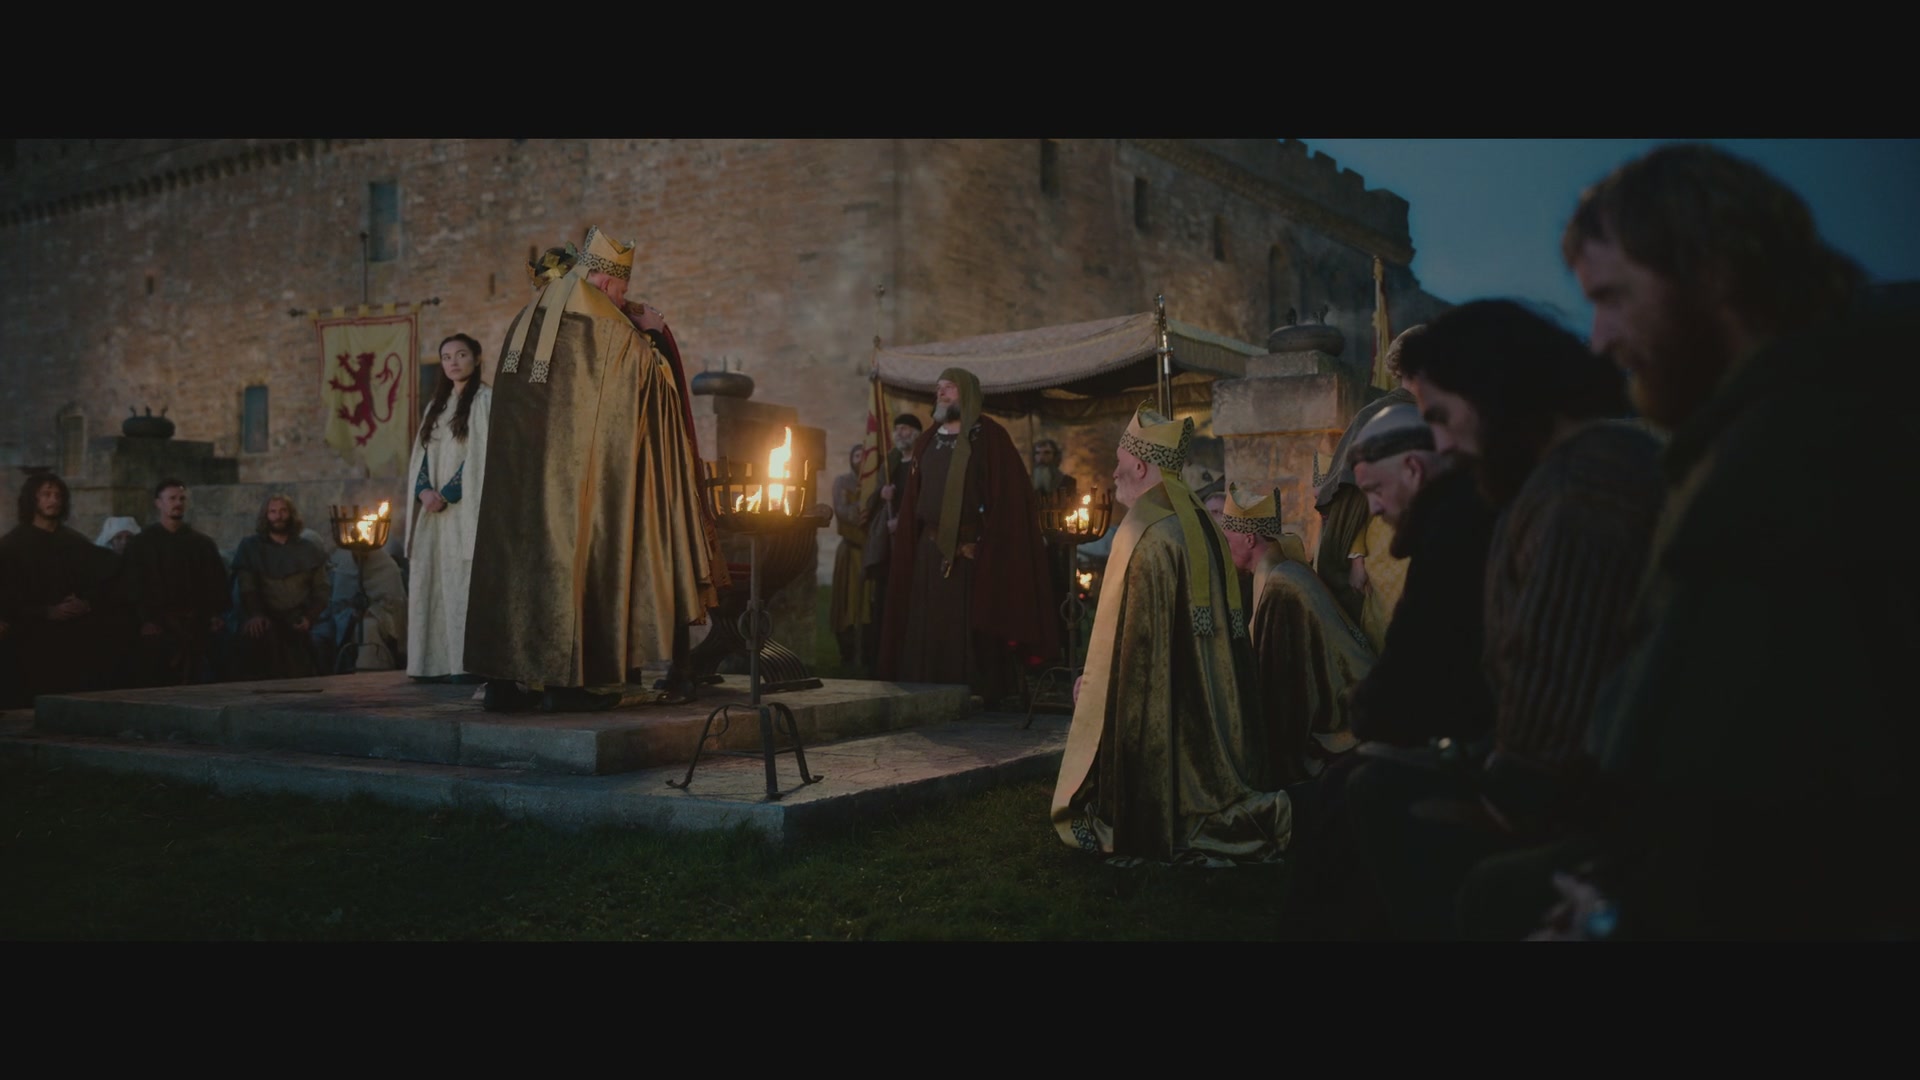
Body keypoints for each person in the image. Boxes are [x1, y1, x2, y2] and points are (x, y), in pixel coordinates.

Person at [1465, 143, 1917, 940]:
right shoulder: (1757, 430)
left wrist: (1613, 912)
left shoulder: (1803, 447)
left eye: (1613, 297)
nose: (1598, 338)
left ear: (1714, 274)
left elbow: (1772, 784)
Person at [1344, 298, 1664, 940]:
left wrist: (1494, 787)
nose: (1441, 444)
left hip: (1604, 806)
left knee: (1378, 797)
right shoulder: (1559, 477)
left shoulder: (1580, 487)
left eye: (1441, 417)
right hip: (1585, 782)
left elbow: (1552, 708)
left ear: (1490, 392)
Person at [465, 228, 714, 712]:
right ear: (603, 282)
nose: (623, 300)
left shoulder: (525, 320)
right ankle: (569, 686)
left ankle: (503, 682)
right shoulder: (609, 329)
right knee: (572, 561)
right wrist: (655, 334)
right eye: (621, 291)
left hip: (516, 488)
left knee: (514, 564)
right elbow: (654, 389)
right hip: (573, 486)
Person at [1051, 403, 1289, 865]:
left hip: (1170, 719)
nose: (1114, 472)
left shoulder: (1147, 532)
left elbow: (1139, 649)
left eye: (1119, 462)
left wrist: (1103, 692)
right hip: (1207, 715)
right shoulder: (1198, 520)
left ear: (1141, 466)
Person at [876, 368, 1059, 706]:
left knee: (968, 629)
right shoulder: (927, 440)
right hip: (930, 551)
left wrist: (987, 545)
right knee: (930, 626)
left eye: (950, 387)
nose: (941, 393)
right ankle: (926, 692)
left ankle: (975, 694)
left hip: (973, 552)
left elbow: (1010, 500)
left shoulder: (991, 438)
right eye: (939, 388)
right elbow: (916, 498)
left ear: (968, 393)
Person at [1215, 482, 1373, 787]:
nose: (1223, 546)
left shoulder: (1280, 582)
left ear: (1249, 538)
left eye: (1226, 537)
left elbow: (1281, 687)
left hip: (1350, 721)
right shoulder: (1277, 570)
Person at [1309, 325, 1424, 626]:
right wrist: (1356, 556)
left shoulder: (1444, 418)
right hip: (1389, 552)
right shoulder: (1376, 416)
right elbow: (1352, 495)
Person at [404, 331, 491, 682]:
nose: (453, 362)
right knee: (433, 579)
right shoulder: (436, 407)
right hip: (434, 514)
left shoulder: (484, 400)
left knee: (462, 582)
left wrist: (449, 492)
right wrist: (424, 490)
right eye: (446, 357)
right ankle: (434, 664)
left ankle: (465, 664)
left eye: (461, 355)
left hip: (464, 510)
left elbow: (482, 454)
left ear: (476, 358)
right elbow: (422, 455)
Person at [0, 473, 131, 702]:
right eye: (46, 494)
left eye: (58, 495)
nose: (53, 500)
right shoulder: (12, 546)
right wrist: (46, 611)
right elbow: (7, 597)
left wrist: (87, 604)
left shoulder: (74, 542)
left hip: (75, 638)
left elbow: (110, 579)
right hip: (31, 639)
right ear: (33, 498)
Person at [121, 479, 230, 687]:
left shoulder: (202, 544)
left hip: (197, 619)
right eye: (172, 498)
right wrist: (145, 620)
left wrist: (214, 615)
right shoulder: (141, 544)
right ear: (158, 503)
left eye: (181, 498)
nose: (178, 503)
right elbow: (132, 586)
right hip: (156, 620)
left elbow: (215, 583)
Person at [230, 494, 331, 680]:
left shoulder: (308, 548)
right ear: (266, 515)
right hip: (265, 617)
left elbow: (321, 589)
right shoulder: (251, 548)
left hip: (298, 617)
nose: (279, 516)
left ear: (291, 514)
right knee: (258, 643)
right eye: (273, 511)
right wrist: (256, 614)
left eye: (283, 511)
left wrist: (309, 617)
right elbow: (247, 587)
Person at [861, 411, 922, 664]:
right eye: (897, 429)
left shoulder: (921, 463)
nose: (900, 433)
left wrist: (904, 523)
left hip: (912, 545)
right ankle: (880, 656)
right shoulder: (890, 464)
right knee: (883, 601)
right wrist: (882, 495)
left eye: (905, 429)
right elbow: (871, 504)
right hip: (888, 547)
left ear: (917, 434)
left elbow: (924, 501)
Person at [828, 443, 874, 669]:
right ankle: (847, 653)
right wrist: (864, 506)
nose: (859, 459)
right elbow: (842, 511)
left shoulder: (875, 483)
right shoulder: (842, 482)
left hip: (870, 552)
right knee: (846, 605)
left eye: (863, 456)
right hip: (849, 551)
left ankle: (867, 652)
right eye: (856, 455)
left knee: (868, 605)